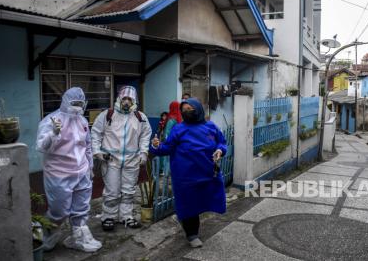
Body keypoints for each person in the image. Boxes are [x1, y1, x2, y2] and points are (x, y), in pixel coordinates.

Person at [150, 98, 227, 248]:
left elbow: (221, 142)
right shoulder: (179, 129)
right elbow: (167, 148)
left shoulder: (211, 127)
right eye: (183, 109)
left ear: (198, 109)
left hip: (207, 173)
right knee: (189, 205)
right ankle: (192, 234)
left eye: (190, 108)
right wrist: (156, 146)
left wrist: (220, 150)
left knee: (207, 199)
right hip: (185, 176)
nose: (186, 112)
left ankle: (190, 224)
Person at [36, 87, 102, 252]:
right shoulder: (51, 120)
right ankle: (44, 237)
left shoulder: (82, 121)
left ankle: (78, 238)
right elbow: (42, 147)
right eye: (75, 103)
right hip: (59, 174)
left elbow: (87, 146)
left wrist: (90, 167)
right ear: (66, 101)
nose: (78, 106)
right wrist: (53, 133)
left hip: (82, 172)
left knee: (81, 208)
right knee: (59, 210)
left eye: (81, 103)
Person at [91, 86, 152, 231]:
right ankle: (108, 217)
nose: (126, 102)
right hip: (110, 159)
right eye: (124, 98)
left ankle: (126, 216)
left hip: (132, 159)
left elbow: (145, 136)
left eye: (129, 99)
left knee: (129, 190)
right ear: (119, 98)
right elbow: (96, 134)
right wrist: (98, 152)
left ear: (134, 101)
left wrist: (143, 153)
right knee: (112, 190)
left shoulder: (140, 117)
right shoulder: (107, 115)